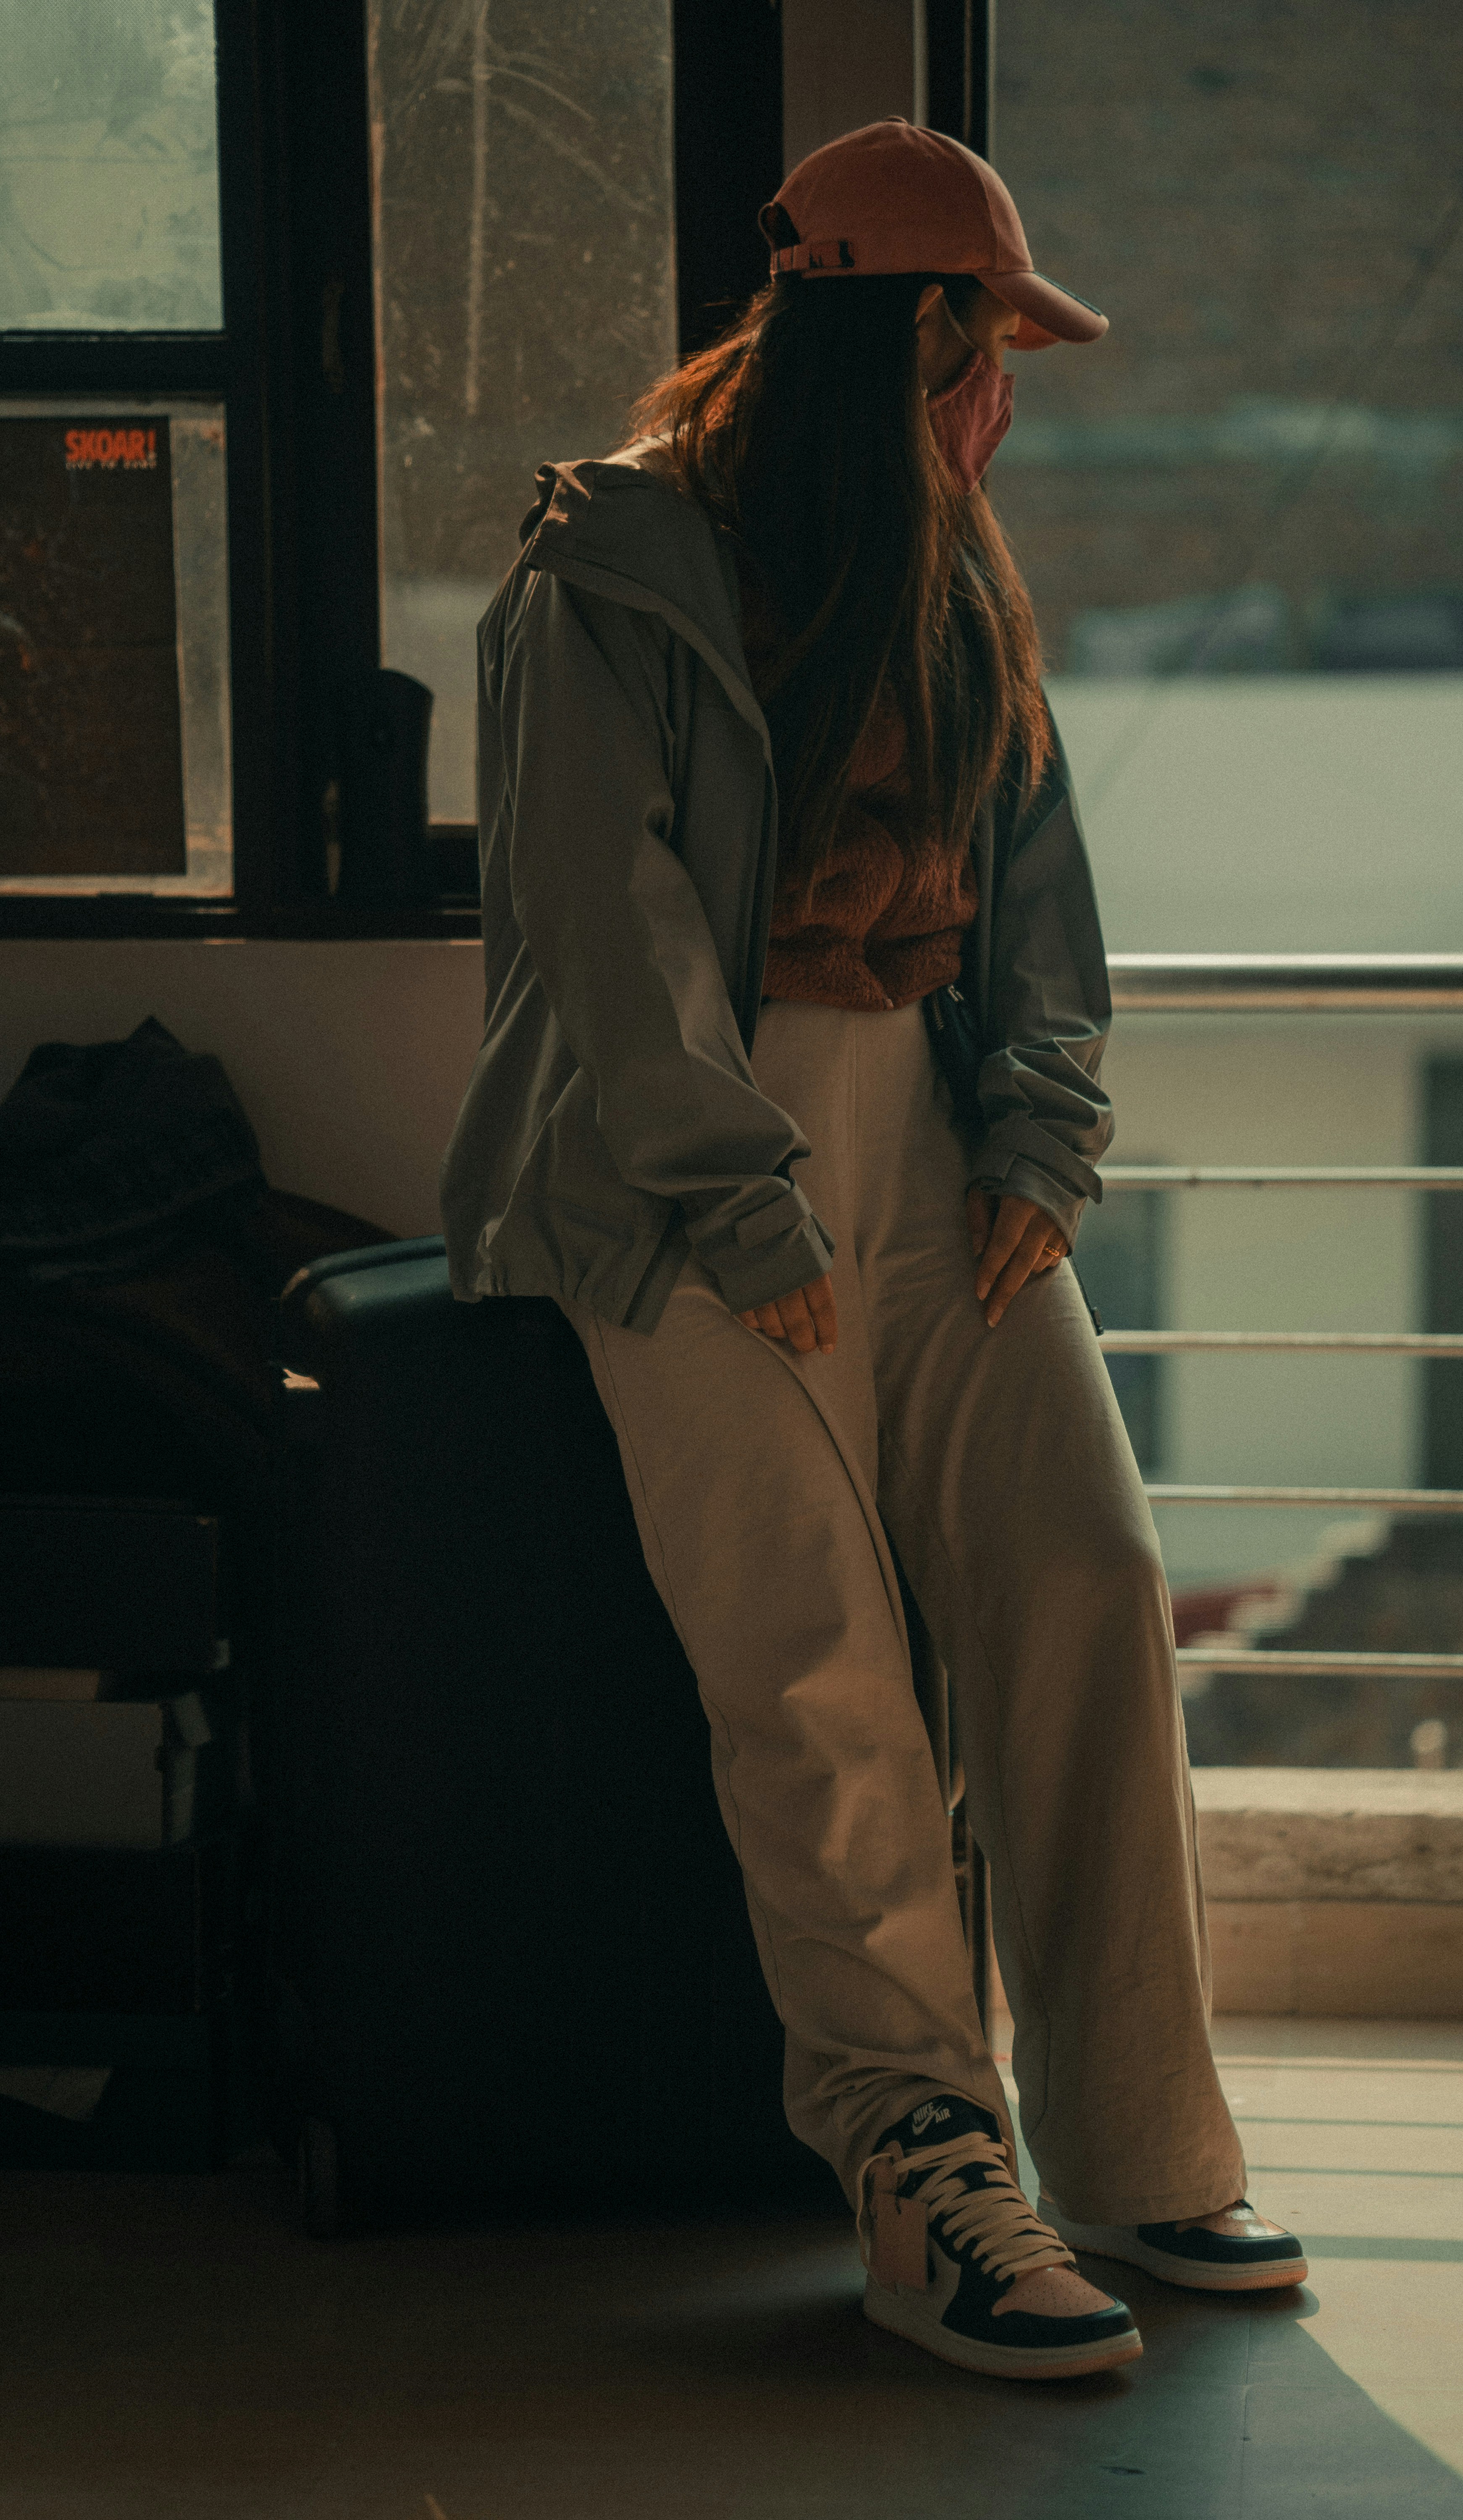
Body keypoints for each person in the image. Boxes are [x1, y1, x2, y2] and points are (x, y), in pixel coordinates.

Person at [441, 117, 1305, 2382]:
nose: (1007, 391)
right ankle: (930, 2170)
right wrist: (740, 1202)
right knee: (814, 1680)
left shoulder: (950, 565)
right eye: (989, 342)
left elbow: (1037, 880)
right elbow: (599, 932)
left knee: (1087, 1578)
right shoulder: (606, 569)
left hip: (925, 1129)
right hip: (681, 1173)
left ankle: (1138, 2143)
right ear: (903, 335)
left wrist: (1039, 1132)